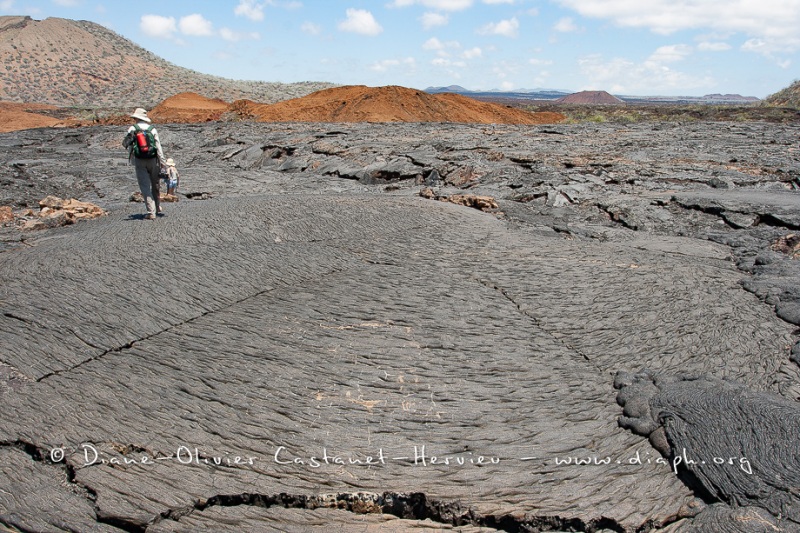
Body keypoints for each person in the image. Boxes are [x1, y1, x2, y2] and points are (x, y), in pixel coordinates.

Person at [123, 108, 166, 220]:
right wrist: (163, 162)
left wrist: (132, 159)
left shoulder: (133, 129)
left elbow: (130, 146)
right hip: (153, 159)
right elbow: (158, 146)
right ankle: (156, 207)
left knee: (145, 186)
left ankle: (151, 212)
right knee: (155, 184)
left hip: (139, 160)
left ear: (136, 118)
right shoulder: (152, 129)